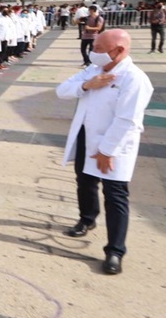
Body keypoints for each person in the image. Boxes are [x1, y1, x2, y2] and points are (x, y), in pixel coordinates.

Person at [57, 29, 154, 275]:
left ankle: (115, 250)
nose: (93, 53)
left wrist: (106, 151)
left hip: (115, 146)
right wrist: (87, 85)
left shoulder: (134, 79)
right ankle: (87, 219)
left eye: (99, 49)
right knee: (85, 182)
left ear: (118, 51)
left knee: (116, 195)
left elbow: (127, 120)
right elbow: (62, 90)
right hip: (86, 137)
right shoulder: (94, 71)